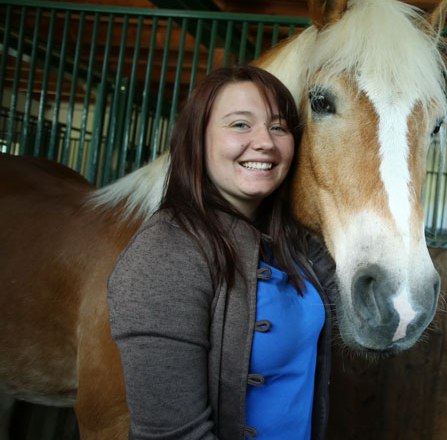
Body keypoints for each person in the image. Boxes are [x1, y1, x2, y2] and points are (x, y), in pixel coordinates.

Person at [107, 65, 336, 440]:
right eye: (240, 125)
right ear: (197, 138)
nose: (265, 141)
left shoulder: (290, 242)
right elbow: (172, 435)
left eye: (279, 127)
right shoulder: (163, 254)